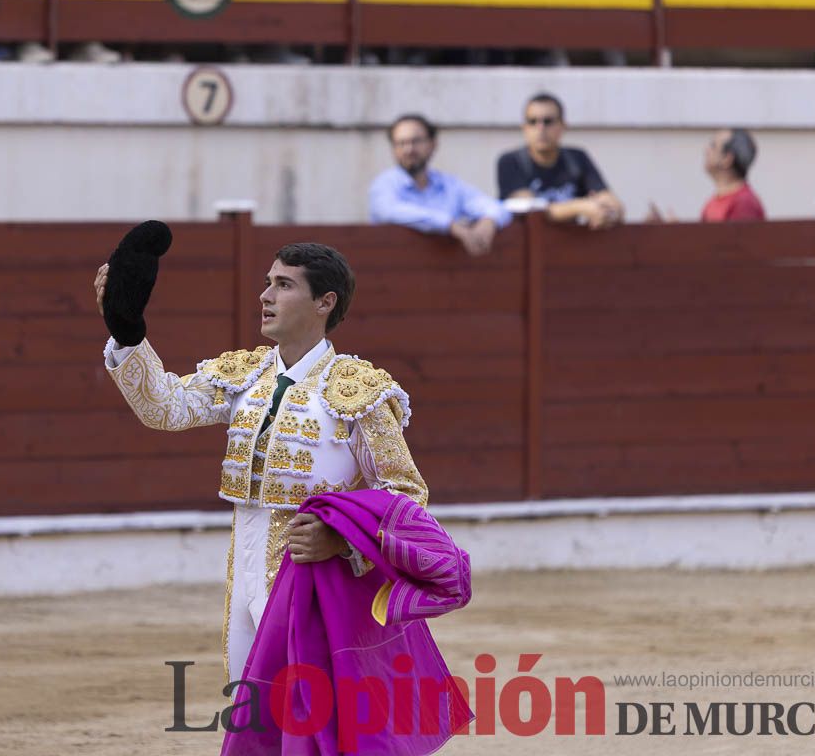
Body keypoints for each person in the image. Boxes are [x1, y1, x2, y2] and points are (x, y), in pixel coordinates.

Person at [95, 236, 428, 682]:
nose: (265, 296)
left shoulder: (358, 391)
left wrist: (344, 542)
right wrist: (127, 332)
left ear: (324, 302)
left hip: (317, 575)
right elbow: (165, 409)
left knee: (308, 701)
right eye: (268, 282)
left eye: (284, 285)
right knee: (248, 696)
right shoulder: (245, 375)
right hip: (244, 563)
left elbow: (406, 494)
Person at [369, 113, 510, 257]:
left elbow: (496, 207)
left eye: (416, 141)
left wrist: (489, 221)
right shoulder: (384, 185)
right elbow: (389, 211)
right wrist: (450, 225)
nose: (409, 149)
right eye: (401, 143)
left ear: (433, 144)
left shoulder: (448, 184)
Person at [496, 92, 624, 229]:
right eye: (532, 121)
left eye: (548, 121)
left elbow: (612, 202)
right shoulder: (510, 162)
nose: (541, 128)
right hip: (528, 240)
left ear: (563, 125)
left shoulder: (577, 158)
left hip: (572, 241)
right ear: (524, 128)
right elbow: (532, 209)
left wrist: (606, 213)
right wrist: (580, 207)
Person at [648, 128, 766, 224]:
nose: (706, 150)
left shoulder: (744, 204)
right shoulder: (716, 200)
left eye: (713, 146)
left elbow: (732, 246)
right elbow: (703, 242)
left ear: (727, 159)